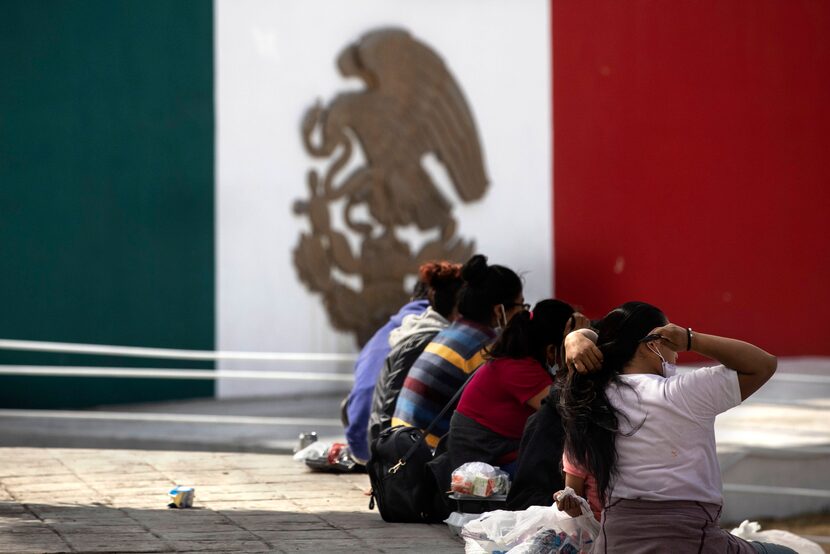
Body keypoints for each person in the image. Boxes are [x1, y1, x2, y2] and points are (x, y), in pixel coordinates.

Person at [559, 301, 794, 553]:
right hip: (689, 539)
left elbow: (598, 339)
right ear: (654, 344)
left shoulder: (596, 397)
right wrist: (691, 339)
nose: (677, 354)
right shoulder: (682, 392)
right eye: (672, 345)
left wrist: (575, 337)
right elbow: (764, 364)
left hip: (614, 540)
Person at [392, 254, 523, 447]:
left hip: (402, 446)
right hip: (428, 458)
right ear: (499, 311)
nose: (523, 314)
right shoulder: (485, 348)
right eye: (521, 306)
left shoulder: (452, 332)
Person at [448, 299, 589, 475]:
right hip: (482, 465)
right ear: (552, 350)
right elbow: (566, 410)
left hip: (499, 450)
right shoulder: (518, 368)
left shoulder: (519, 361)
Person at [367, 261, 464, 445]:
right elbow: (390, 409)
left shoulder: (416, 331)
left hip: (389, 446)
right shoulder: (427, 341)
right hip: (396, 454)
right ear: (459, 305)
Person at [342, 281, 429, 463]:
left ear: (412, 298)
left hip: (364, 443)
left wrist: (360, 451)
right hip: (400, 448)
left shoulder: (380, 336)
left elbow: (363, 392)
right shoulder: (434, 334)